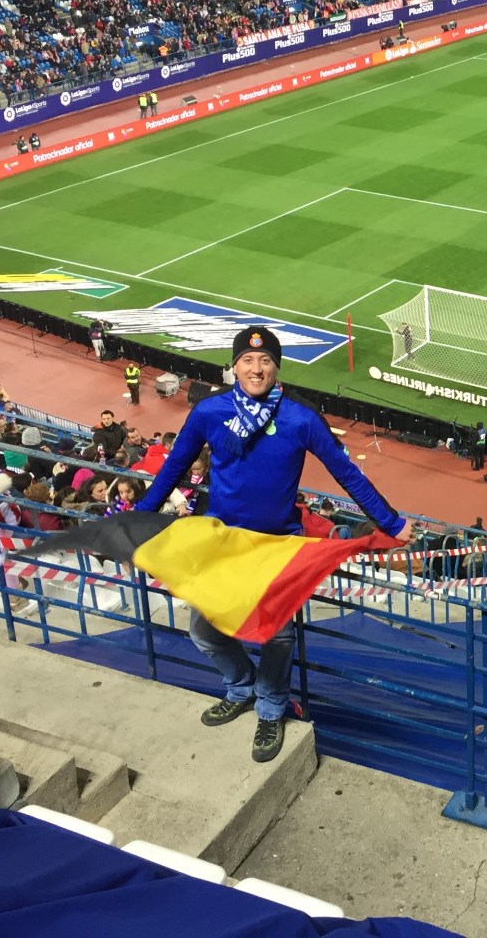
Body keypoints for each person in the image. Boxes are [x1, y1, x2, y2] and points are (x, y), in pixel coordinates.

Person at [134, 326, 412, 763]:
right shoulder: (210, 411)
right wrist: (142, 514)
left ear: (276, 367)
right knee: (204, 631)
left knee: (277, 636)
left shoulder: (301, 417)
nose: (256, 368)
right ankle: (242, 686)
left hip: (276, 545)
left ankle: (270, 707)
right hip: (223, 541)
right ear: (234, 366)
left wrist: (390, 522)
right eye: (247, 360)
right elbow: (174, 468)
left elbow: (347, 473)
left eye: (265, 361)